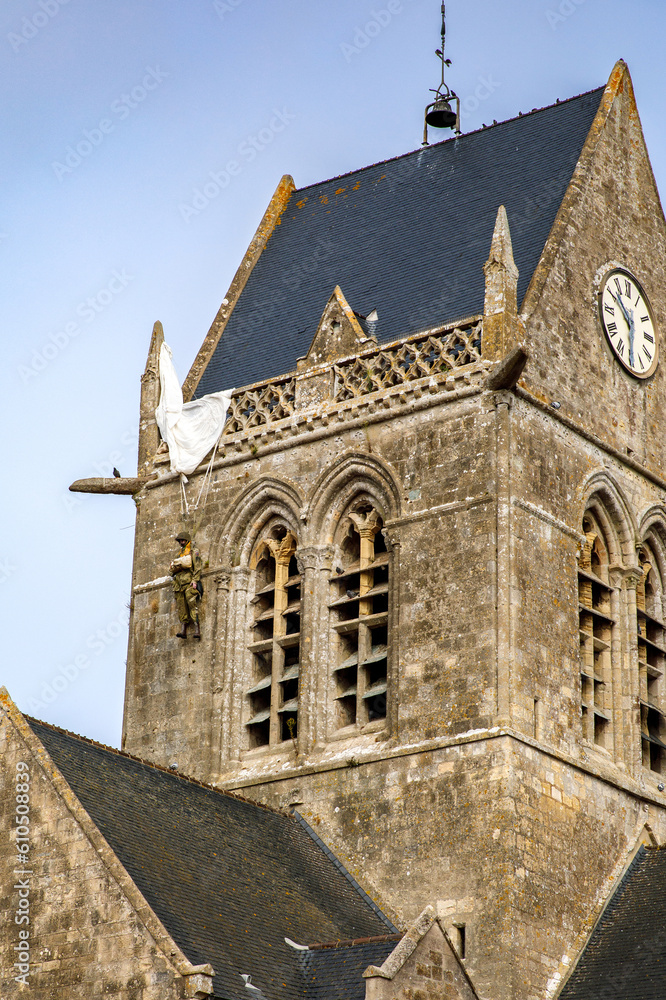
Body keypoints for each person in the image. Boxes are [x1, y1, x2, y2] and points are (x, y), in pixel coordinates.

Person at [170, 530, 202, 639]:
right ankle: (183, 630)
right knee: (181, 607)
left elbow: (197, 567)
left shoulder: (194, 552)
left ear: (187, 541)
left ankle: (197, 629)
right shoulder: (178, 555)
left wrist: (195, 580)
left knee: (191, 604)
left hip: (189, 582)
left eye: (183, 540)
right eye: (180, 541)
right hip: (178, 584)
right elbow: (171, 570)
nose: (181, 542)